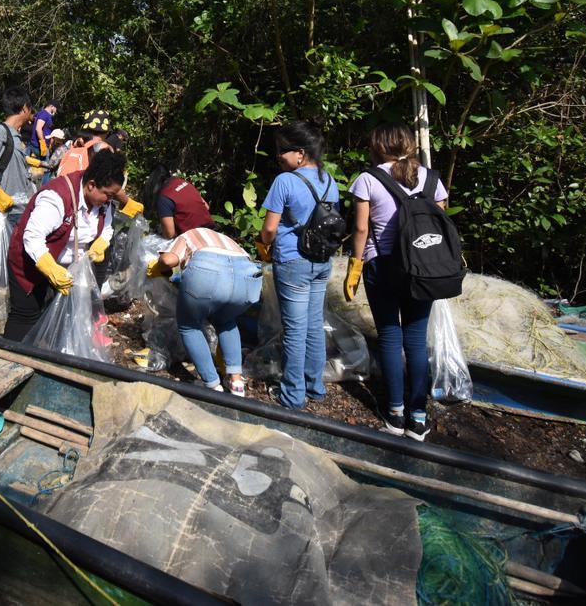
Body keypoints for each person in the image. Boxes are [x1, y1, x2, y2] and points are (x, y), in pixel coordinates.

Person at [345, 123, 449, 442]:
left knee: (390, 337)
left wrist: (354, 266)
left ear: (377, 147)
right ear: (411, 146)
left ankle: (394, 413)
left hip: (383, 266)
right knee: (416, 342)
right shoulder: (432, 179)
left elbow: (361, 229)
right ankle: (418, 418)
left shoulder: (368, 179)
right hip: (425, 269)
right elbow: (440, 224)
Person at [257, 120, 340, 410]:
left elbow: (269, 230)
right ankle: (314, 386)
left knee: (294, 329)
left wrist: (262, 242)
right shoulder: (330, 181)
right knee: (314, 325)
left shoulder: (285, 181)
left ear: (301, 153)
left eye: (283, 151)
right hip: (320, 261)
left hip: (293, 262)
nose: (279, 156)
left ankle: (293, 394)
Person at [3, 150, 128, 342]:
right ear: (91, 185)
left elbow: (108, 227)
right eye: (107, 195)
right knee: (26, 315)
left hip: (65, 269)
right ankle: (10, 360)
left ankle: (45, 357)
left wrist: (102, 242)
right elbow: (33, 237)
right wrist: (49, 267)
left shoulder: (102, 204)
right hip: (29, 264)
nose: (109, 200)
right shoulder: (56, 197)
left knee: (55, 315)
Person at [146, 227, 260, 395]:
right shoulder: (225, 238)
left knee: (189, 326)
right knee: (226, 321)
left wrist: (160, 266)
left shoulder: (188, 234)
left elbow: (169, 260)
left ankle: (212, 385)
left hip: (207, 275)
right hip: (248, 280)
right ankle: (236, 382)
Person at [140, 164, 214, 239]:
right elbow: (206, 207)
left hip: (194, 237)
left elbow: (170, 234)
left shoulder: (163, 197)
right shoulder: (183, 182)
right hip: (211, 229)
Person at [56, 111, 113, 178]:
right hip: (79, 186)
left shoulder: (75, 145)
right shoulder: (103, 148)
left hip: (61, 184)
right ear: (105, 132)